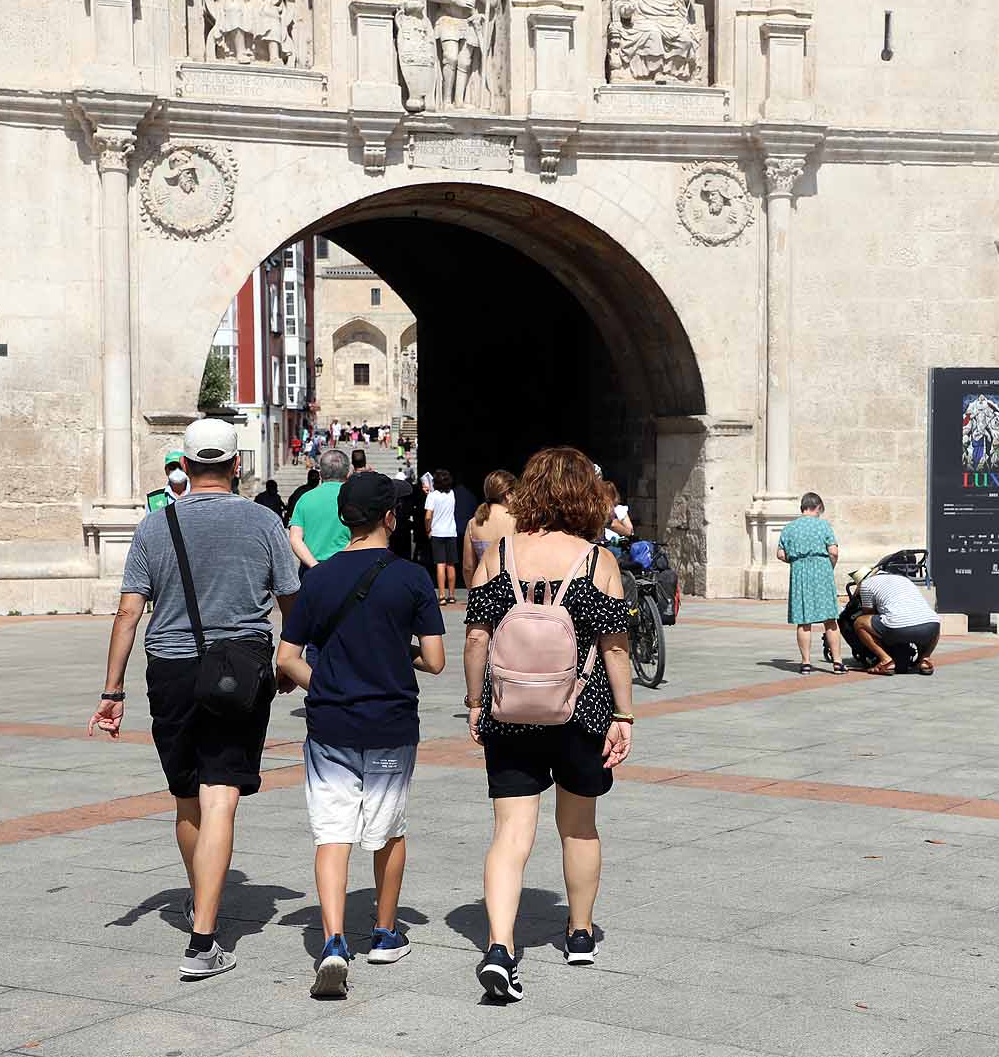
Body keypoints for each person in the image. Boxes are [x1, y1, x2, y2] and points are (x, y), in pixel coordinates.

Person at [89, 417, 300, 981]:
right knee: (221, 795)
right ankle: (204, 938)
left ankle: (198, 900)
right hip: (239, 669)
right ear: (237, 466)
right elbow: (289, 601)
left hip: (171, 670)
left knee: (186, 795)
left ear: (183, 467)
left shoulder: (154, 528)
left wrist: (113, 689)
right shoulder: (263, 521)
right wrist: (287, 658)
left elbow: (129, 612)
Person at [462, 447, 634, 1002]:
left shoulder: (500, 553)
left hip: (510, 709)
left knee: (510, 832)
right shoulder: (596, 561)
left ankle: (500, 947)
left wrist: (474, 701)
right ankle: (580, 933)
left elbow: (476, 637)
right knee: (578, 825)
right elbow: (615, 648)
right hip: (582, 709)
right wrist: (624, 714)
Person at [276, 472, 447, 996]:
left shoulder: (319, 579)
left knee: (332, 833)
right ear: (390, 518)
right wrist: (401, 654)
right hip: (392, 721)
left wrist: (324, 683)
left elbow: (287, 658)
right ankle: (384, 931)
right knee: (388, 829)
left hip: (330, 722)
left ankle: (332, 941)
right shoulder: (412, 577)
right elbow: (436, 661)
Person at [776, 492, 845, 675]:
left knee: (803, 621)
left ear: (803, 507)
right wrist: (830, 566)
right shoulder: (823, 526)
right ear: (818, 507)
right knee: (830, 620)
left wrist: (796, 562)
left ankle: (806, 663)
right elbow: (834, 551)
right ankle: (837, 663)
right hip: (822, 570)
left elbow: (780, 554)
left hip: (800, 573)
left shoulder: (789, 528)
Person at [852, 564, 941, 676]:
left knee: (860, 623)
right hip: (931, 626)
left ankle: (886, 660)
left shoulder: (866, 584)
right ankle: (925, 660)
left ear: (859, 582)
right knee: (933, 620)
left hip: (897, 626)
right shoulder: (903, 579)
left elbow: (868, 613)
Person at [290, 450, 353, 573]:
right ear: (348, 473)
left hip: (310, 568)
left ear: (320, 474)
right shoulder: (354, 498)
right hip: (345, 567)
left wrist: (315, 566)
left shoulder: (305, 498)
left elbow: (295, 538)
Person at [463, 470, 516, 583]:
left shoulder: (473, 523)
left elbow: (468, 567)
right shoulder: (517, 521)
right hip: (511, 589)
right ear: (508, 494)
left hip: (482, 587)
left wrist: (472, 591)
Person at [425, 469, 459, 605]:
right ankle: (451, 595)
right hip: (451, 531)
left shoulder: (432, 496)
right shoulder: (452, 494)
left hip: (437, 532)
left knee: (440, 564)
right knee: (451, 565)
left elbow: (428, 516)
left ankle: (442, 595)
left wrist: (428, 529)